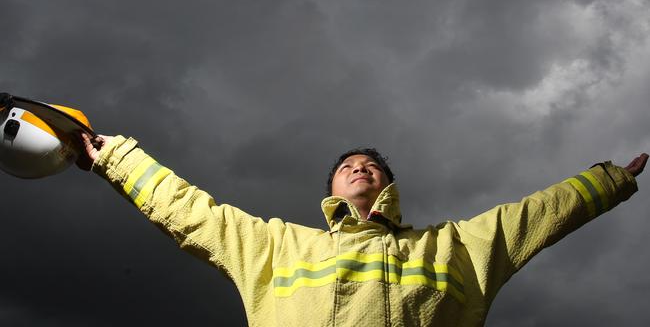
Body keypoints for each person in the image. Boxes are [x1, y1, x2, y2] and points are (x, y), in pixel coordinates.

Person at [78, 133, 646, 327]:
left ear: (387, 185)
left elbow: (532, 215)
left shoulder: (452, 246)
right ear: (332, 188)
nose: (359, 167)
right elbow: (191, 211)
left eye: (370, 165)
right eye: (347, 165)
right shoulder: (277, 245)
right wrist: (115, 157)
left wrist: (608, 182)